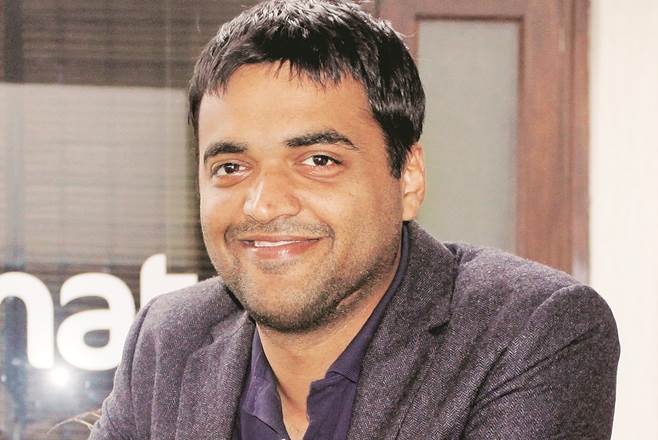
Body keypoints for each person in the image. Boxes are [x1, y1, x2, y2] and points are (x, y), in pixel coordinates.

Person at [89, 1, 619, 439]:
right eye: (231, 167)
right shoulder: (168, 338)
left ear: (407, 179)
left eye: (318, 161)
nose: (263, 204)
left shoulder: (530, 331)